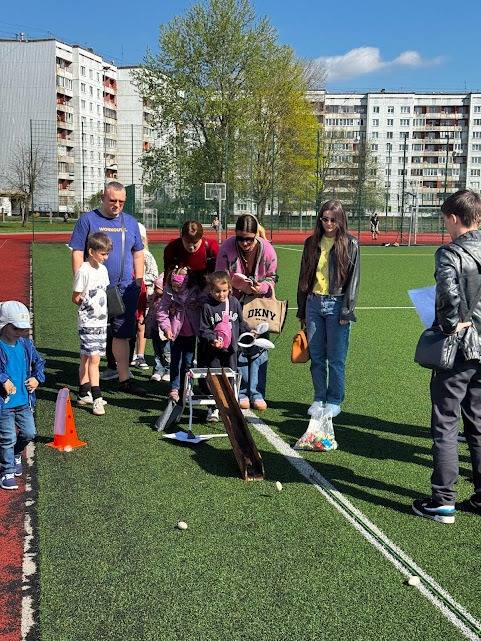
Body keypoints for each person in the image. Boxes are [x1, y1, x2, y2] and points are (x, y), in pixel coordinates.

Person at [412, 190, 481, 524]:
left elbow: (448, 296)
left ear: (453, 218)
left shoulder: (450, 253)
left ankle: (442, 500)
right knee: (478, 424)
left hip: (460, 349)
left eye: (445, 220)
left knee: (446, 422)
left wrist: (449, 324)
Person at [69, 181, 146, 396]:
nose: (117, 205)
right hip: (94, 291)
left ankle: (124, 379)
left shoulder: (130, 222)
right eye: (113, 200)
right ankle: (85, 385)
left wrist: (138, 281)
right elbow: (77, 251)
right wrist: (80, 284)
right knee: (90, 337)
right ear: (103, 197)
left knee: (122, 334)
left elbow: (138, 252)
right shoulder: (87, 220)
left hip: (124, 288)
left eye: (121, 201)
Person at [297, 200, 360, 419]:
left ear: (341, 220)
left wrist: (347, 310)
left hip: (337, 304)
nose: (329, 224)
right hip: (313, 303)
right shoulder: (311, 243)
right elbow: (303, 276)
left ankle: (334, 400)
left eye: (333, 220)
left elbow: (354, 280)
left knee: (336, 358)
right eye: (325, 219)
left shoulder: (351, 244)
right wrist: (302, 309)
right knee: (316, 356)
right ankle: (319, 398)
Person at [215, 214, 278, 410]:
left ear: (256, 235)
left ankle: (257, 393)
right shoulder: (227, 248)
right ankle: (242, 391)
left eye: (249, 239)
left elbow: (273, 277)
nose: (244, 243)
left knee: (259, 346)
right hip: (236, 303)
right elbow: (219, 277)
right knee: (240, 347)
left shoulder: (267, 250)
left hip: (260, 304)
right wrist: (235, 284)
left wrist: (262, 287)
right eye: (240, 238)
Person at [0, 301, 45, 490]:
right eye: (16, 328)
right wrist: (3, 379)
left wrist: (37, 378)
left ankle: (16, 453)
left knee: (29, 433)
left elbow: (39, 362)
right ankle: (7, 470)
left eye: (23, 329)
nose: (20, 332)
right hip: (4, 404)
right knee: (7, 437)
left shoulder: (26, 345)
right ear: (4, 325)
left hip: (24, 401)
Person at [198, 271, 250, 422]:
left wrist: (250, 333)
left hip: (231, 350)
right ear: (210, 290)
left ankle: (229, 406)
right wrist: (213, 339)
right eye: (217, 291)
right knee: (214, 378)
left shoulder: (234, 303)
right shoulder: (207, 306)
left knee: (230, 377)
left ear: (230, 289)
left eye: (224, 291)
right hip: (212, 352)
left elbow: (240, 323)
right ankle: (213, 407)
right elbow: (203, 329)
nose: (221, 294)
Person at [72, 232, 111, 416]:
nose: (105, 257)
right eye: (102, 253)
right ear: (91, 251)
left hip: (101, 322)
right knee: (94, 359)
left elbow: (105, 292)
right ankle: (97, 398)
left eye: (107, 253)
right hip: (88, 322)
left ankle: (83, 393)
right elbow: (75, 297)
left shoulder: (103, 270)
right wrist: (86, 302)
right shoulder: (83, 271)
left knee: (86, 358)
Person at [156, 267, 204, 403]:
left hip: (191, 333)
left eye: (179, 286)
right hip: (175, 333)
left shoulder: (196, 291)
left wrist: (197, 304)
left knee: (188, 362)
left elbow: (205, 303)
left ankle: (187, 386)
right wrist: (166, 328)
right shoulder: (169, 291)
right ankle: (174, 388)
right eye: (174, 286)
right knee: (175, 361)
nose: (176, 289)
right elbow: (162, 311)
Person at [131, 223, 159, 370]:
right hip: (129, 294)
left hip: (145, 295)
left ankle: (140, 355)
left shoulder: (147, 256)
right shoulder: (126, 256)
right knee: (129, 324)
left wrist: (139, 279)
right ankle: (129, 355)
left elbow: (154, 275)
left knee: (141, 324)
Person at [163, 220, 218, 290]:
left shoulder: (211, 247)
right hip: (182, 288)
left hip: (206, 287)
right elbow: (167, 271)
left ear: (201, 237)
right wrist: (164, 288)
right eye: (187, 242)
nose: (191, 247)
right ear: (181, 237)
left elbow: (220, 273)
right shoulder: (172, 248)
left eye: (195, 242)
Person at [146, 274, 171, 382]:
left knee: (167, 351)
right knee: (157, 351)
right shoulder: (154, 298)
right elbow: (150, 310)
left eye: (158, 287)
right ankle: (158, 369)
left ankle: (168, 370)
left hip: (164, 331)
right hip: (155, 328)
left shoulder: (168, 301)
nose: (155, 290)